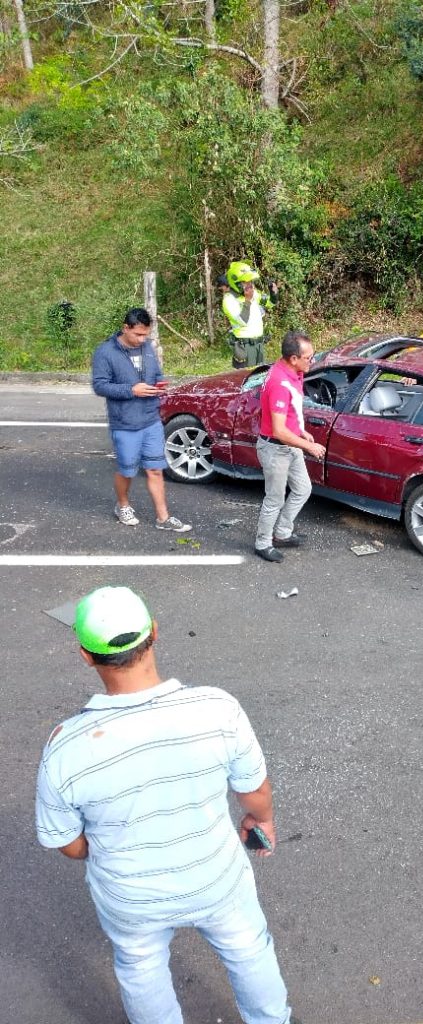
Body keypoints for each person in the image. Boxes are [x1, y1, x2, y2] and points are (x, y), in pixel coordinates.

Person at [35, 585, 291, 1024]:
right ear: (154, 632)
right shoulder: (217, 708)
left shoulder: (64, 747)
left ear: (86, 655)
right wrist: (260, 818)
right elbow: (254, 792)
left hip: (131, 896)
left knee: (140, 968)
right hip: (216, 877)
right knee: (249, 950)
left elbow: (70, 845)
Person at [92, 308, 191, 532]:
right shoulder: (105, 352)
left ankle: (163, 518)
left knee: (155, 469)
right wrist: (131, 390)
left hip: (150, 419)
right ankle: (123, 505)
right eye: (138, 334)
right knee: (127, 470)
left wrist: (159, 385)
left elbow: (156, 375)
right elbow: (100, 385)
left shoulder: (147, 348)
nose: (142, 339)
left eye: (146, 335)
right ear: (125, 328)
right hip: (125, 423)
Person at [254, 330, 325, 563]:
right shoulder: (279, 382)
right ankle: (263, 543)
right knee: (274, 499)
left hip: (290, 444)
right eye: (308, 357)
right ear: (293, 358)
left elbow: (290, 415)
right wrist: (308, 446)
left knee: (303, 489)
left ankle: (282, 533)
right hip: (275, 448)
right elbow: (279, 430)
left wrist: (301, 431)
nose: (311, 361)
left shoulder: (293, 371)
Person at [222, 261, 279, 368]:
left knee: (260, 376)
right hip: (244, 346)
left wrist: (273, 293)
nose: (250, 285)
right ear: (237, 283)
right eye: (245, 282)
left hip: (258, 344)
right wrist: (248, 300)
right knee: (246, 379)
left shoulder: (253, 293)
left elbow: (269, 303)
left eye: (250, 282)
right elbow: (243, 320)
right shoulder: (229, 299)